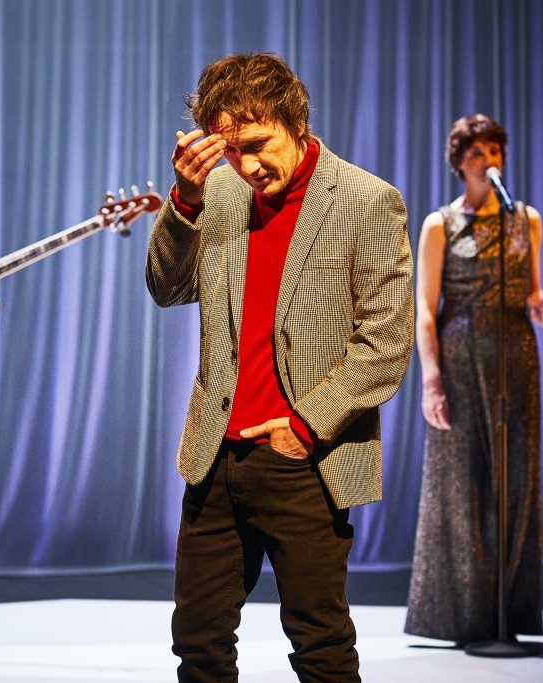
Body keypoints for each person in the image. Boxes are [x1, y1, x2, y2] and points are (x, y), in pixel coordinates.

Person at [146, 53, 413, 681]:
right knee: (198, 646)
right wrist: (184, 199)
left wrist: (305, 425)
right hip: (215, 455)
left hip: (303, 460)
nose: (247, 165)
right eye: (231, 151)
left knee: (320, 646)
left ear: (295, 120)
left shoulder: (366, 200)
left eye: (258, 145)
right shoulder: (217, 193)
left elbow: (386, 343)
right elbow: (166, 287)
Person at [404, 114, 543, 645]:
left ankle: (509, 616)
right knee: (463, 482)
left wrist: (540, 309)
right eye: (476, 151)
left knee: (515, 478)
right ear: (458, 162)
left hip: (516, 353)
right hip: (459, 354)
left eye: (495, 148)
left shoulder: (526, 219)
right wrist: (430, 380)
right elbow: (425, 310)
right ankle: (463, 617)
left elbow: (532, 293)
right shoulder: (440, 224)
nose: (487, 158)